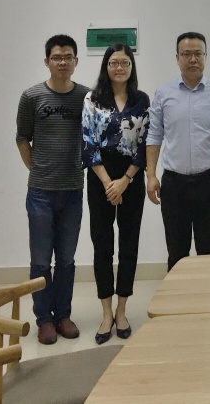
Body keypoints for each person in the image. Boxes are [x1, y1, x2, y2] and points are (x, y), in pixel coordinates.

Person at [15, 34, 90, 345]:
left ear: (76, 61)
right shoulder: (32, 96)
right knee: (41, 260)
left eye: (68, 57)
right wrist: (37, 169)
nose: (62, 62)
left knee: (67, 259)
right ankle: (44, 319)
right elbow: (22, 138)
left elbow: (93, 137)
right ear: (47, 61)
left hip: (73, 190)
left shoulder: (86, 97)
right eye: (57, 57)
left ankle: (63, 315)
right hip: (41, 194)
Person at [146, 32, 210, 271]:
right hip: (174, 184)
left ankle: (207, 295)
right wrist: (151, 175)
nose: (193, 59)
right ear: (177, 58)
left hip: (208, 183)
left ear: (206, 56)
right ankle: (176, 296)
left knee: (208, 249)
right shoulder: (163, 94)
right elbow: (154, 136)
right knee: (177, 251)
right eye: (186, 54)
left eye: (198, 54)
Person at [81, 44, 149, 344]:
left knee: (129, 245)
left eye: (124, 62)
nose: (119, 67)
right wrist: (110, 183)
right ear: (106, 67)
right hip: (101, 177)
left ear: (131, 67)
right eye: (113, 63)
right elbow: (87, 143)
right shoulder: (93, 99)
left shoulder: (141, 100)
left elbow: (146, 143)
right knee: (102, 246)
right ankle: (106, 313)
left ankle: (122, 310)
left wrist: (125, 180)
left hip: (131, 178)